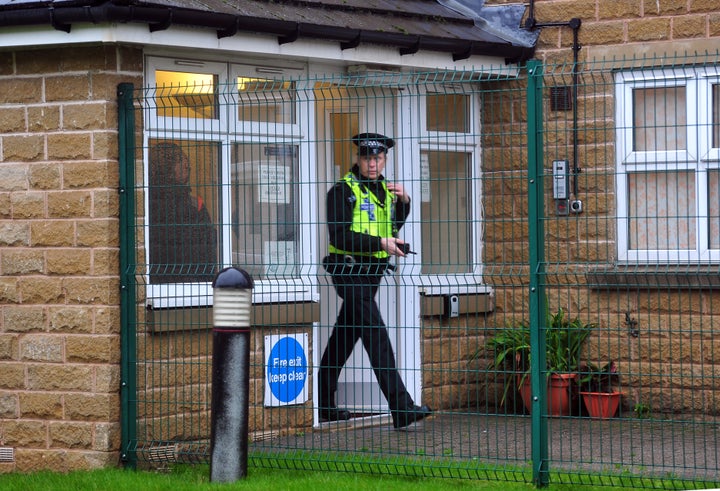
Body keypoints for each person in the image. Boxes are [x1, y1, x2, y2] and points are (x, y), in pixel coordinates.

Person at [319, 132, 432, 429]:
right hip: (348, 271)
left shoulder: (383, 190)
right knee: (377, 337)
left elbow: (390, 225)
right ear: (358, 158)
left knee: (345, 336)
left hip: (371, 275)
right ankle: (402, 407)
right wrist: (381, 243)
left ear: (384, 159)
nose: (373, 163)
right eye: (367, 157)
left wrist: (404, 203)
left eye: (378, 158)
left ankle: (324, 401)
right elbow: (340, 236)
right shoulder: (342, 191)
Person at [148, 142, 217, 284]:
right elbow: (207, 245)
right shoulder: (193, 205)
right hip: (193, 280)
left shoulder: (145, 201)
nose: (189, 168)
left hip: (157, 281)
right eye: (184, 164)